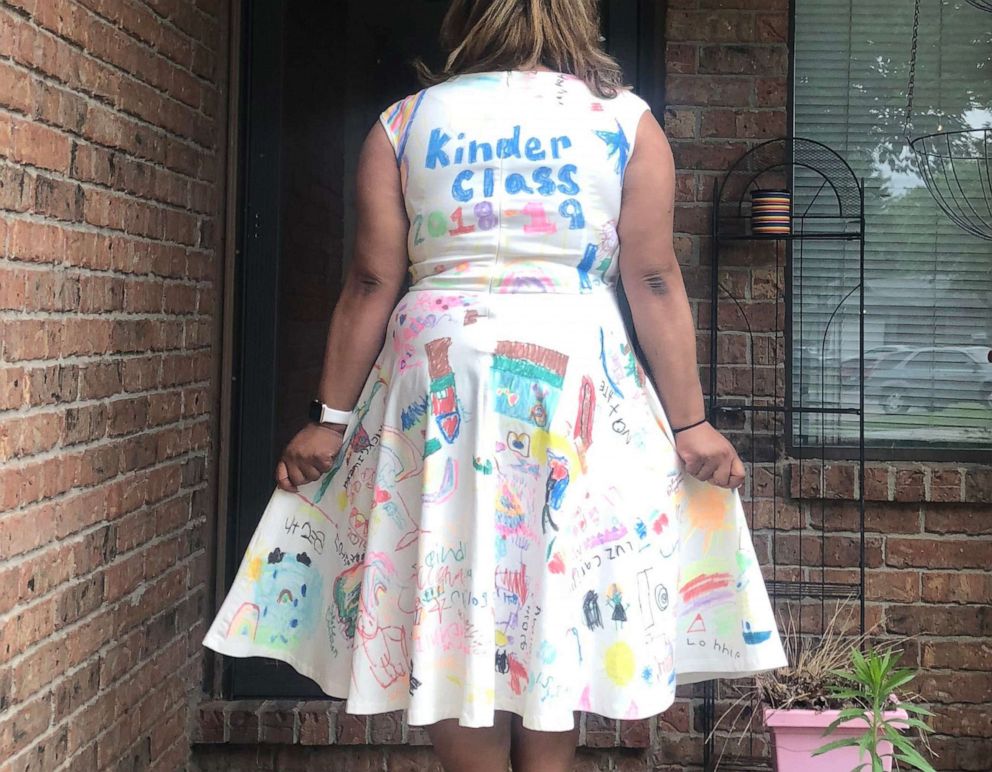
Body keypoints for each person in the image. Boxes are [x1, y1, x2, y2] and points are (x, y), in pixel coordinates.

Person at [202, 1, 787, 770]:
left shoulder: (404, 123)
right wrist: (691, 425)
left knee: (453, 605)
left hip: (439, 379)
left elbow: (373, 279)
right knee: (550, 594)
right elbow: (651, 278)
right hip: (574, 379)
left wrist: (329, 418)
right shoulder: (626, 122)